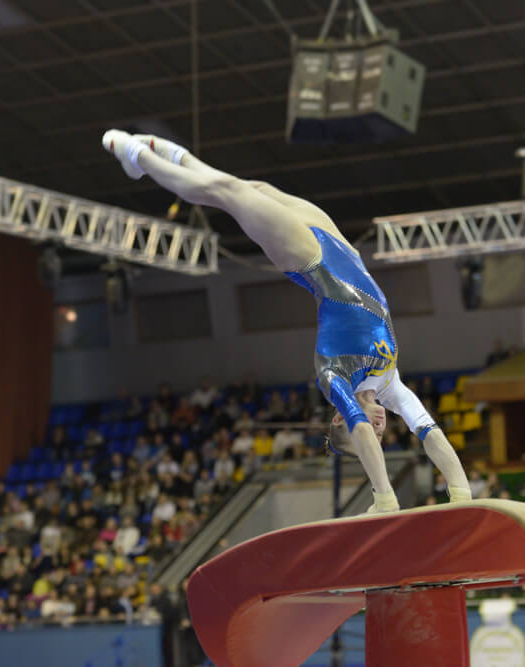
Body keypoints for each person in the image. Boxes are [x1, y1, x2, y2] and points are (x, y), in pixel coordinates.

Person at [103, 130, 471, 512]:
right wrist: (461, 493)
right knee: (253, 187)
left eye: (371, 434)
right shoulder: (391, 384)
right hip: (339, 243)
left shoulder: (334, 379)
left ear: (341, 420)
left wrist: (384, 497)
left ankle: (138, 159)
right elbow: (430, 432)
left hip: (308, 258)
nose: (380, 427)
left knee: (227, 192)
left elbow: (360, 428)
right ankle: (171, 153)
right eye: (382, 432)